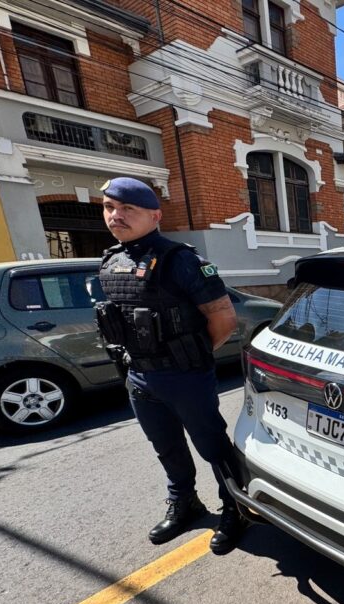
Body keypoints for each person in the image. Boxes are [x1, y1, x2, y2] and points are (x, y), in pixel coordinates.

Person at [94, 177, 246, 555]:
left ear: (155, 215)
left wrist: (188, 357)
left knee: (212, 446)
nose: (116, 216)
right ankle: (185, 503)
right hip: (140, 376)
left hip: (185, 376)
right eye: (110, 207)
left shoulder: (181, 260)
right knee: (166, 447)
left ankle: (235, 507)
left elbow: (224, 319)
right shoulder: (112, 260)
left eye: (128, 209)